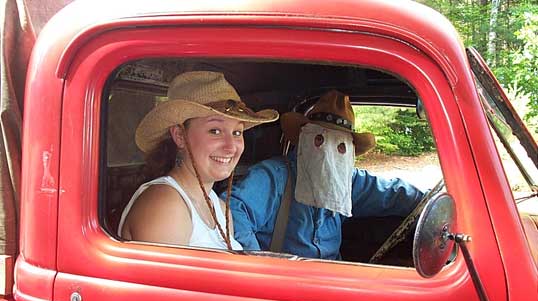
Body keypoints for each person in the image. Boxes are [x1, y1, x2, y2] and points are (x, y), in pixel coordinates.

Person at [225, 90, 425, 259]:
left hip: (333, 283)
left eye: (340, 147)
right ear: (303, 139)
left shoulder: (348, 180)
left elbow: (393, 193)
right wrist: (259, 267)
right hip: (284, 289)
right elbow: (232, 211)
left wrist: (434, 203)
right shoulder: (274, 177)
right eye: (319, 140)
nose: (328, 154)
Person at [118, 71, 278, 250]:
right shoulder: (166, 204)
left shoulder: (219, 207)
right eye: (215, 131)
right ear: (180, 136)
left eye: (237, 132)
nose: (231, 147)